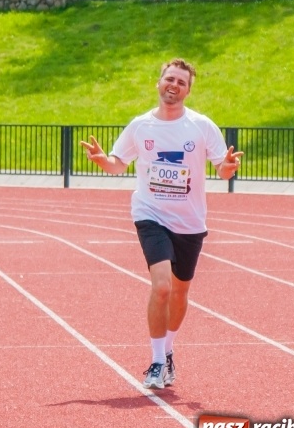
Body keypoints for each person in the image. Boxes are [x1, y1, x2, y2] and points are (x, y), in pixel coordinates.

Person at [80, 58, 243, 390]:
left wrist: (228, 166)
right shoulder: (141, 126)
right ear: (159, 83)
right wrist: (103, 160)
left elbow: (221, 170)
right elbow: (118, 164)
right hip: (150, 215)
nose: (174, 85)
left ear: (188, 90)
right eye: (170, 79)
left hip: (190, 221)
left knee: (181, 292)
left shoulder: (201, 126)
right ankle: (155, 361)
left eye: (181, 82)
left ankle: (168, 351)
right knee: (163, 286)